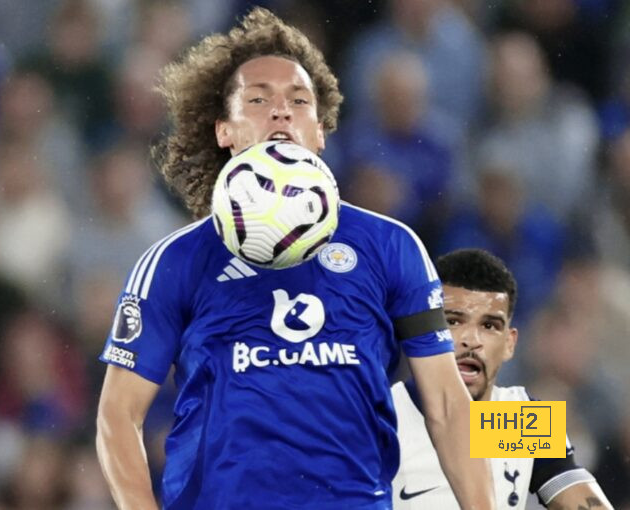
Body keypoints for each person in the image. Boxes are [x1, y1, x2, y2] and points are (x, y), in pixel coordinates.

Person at [95, 8, 495, 510]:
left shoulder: (391, 247)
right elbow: (117, 416)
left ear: (321, 131)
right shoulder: (176, 261)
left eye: (299, 101)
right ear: (224, 130)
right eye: (259, 99)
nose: (281, 112)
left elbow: (447, 406)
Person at [392, 248, 613, 509]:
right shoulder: (385, 418)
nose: (471, 340)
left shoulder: (517, 422)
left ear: (509, 343)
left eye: (489, 326)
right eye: (452, 321)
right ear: (423, 332)